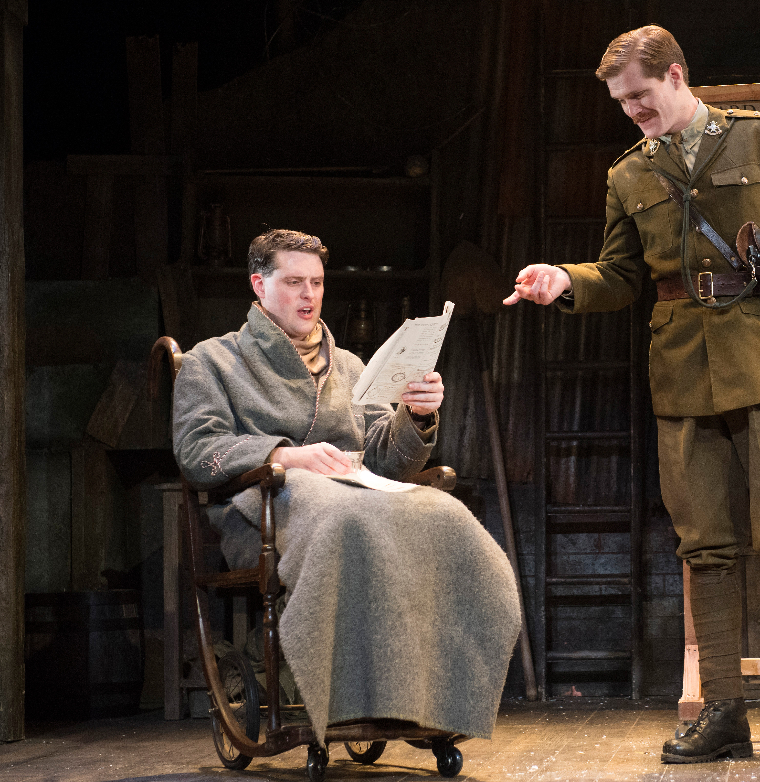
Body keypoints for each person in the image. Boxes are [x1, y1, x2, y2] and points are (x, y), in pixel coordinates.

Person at [505, 26, 760, 767]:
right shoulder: (629, 173)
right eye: (620, 102)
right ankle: (724, 712)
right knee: (705, 546)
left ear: (675, 75)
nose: (631, 110)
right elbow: (621, 275)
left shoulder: (758, 140)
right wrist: (565, 280)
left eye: (639, 94)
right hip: (682, 372)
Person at [173, 229, 520, 746]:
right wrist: (285, 455)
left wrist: (416, 415)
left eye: (316, 282)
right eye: (294, 282)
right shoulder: (213, 361)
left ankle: (436, 697)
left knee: (445, 516)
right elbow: (198, 450)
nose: (309, 294)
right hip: (262, 513)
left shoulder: (351, 366)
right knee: (344, 518)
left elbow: (385, 459)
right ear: (259, 285)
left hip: (357, 500)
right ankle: (336, 694)